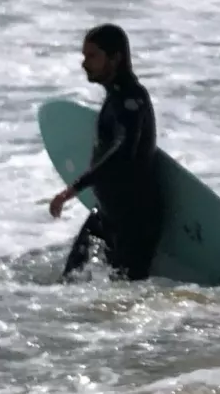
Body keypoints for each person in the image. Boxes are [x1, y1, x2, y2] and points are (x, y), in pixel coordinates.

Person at [49, 24, 165, 281]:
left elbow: (123, 151)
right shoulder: (116, 98)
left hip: (134, 222)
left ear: (115, 58)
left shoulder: (131, 100)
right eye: (84, 56)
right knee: (69, 281)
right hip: (106, 214)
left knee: (126, 295)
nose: (84, 63)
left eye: (92, 56)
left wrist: (74, 188)